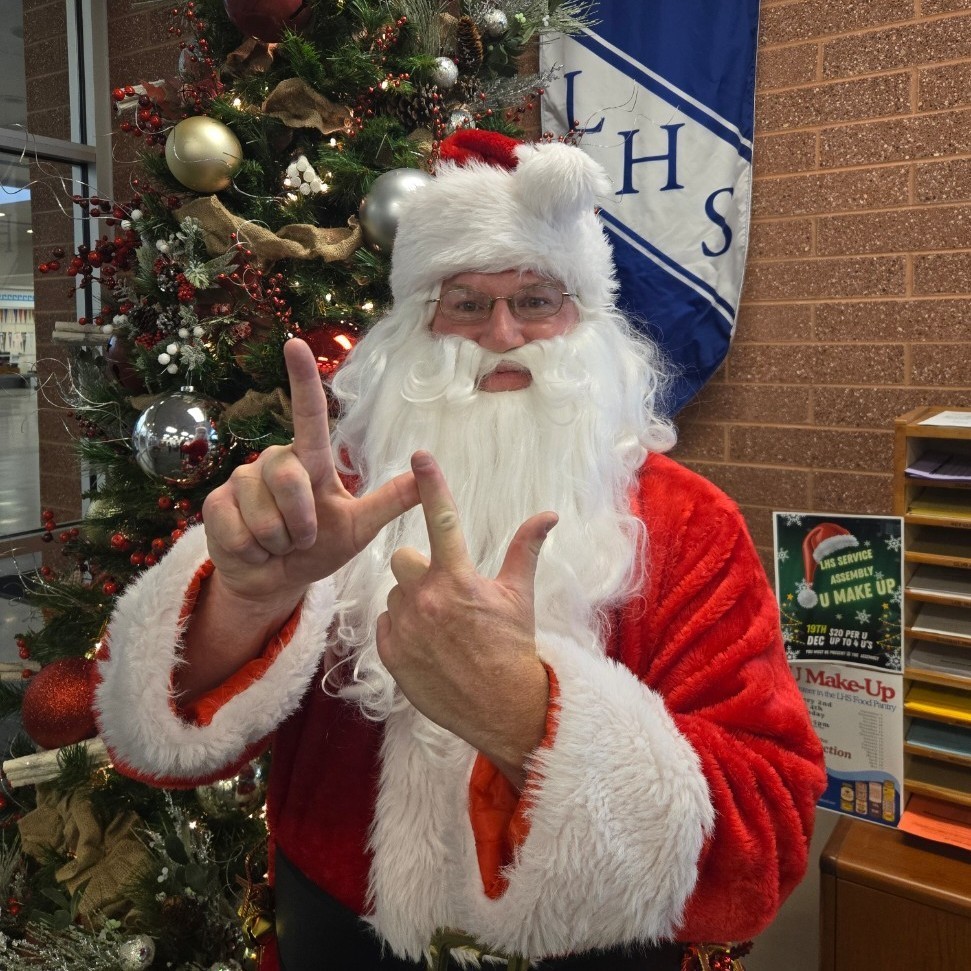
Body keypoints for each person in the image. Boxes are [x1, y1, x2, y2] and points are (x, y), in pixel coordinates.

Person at [94, 130, 826, 971]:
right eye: (466, 303)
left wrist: (526, 714)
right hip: (338, 936)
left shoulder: (686, 520)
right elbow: (157, 739)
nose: (502, 334)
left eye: (536, 299)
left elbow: (765, 831)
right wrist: (248, 598)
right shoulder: (332, 504)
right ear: (415, 322)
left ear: (585, 317)